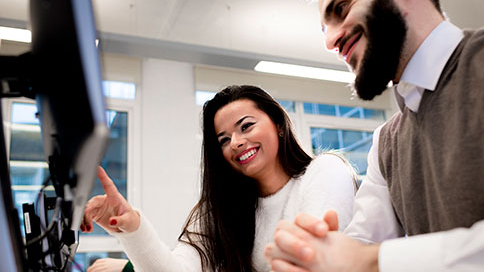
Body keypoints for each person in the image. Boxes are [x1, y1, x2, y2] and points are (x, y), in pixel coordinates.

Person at [264, 0, 484, 271]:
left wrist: (371, 261)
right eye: (325, 29)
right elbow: (361, 244)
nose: (330, 42)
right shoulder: (386, 142)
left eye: (341, 7)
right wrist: (316, 257)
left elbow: (365, 258)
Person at [81, 85, 358, 272]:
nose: (236, 142)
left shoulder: (325, 171)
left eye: (246, 126)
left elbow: (310, 265)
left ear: (279, 124)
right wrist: (131, 227)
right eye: (223, 140)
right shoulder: (221, 208)